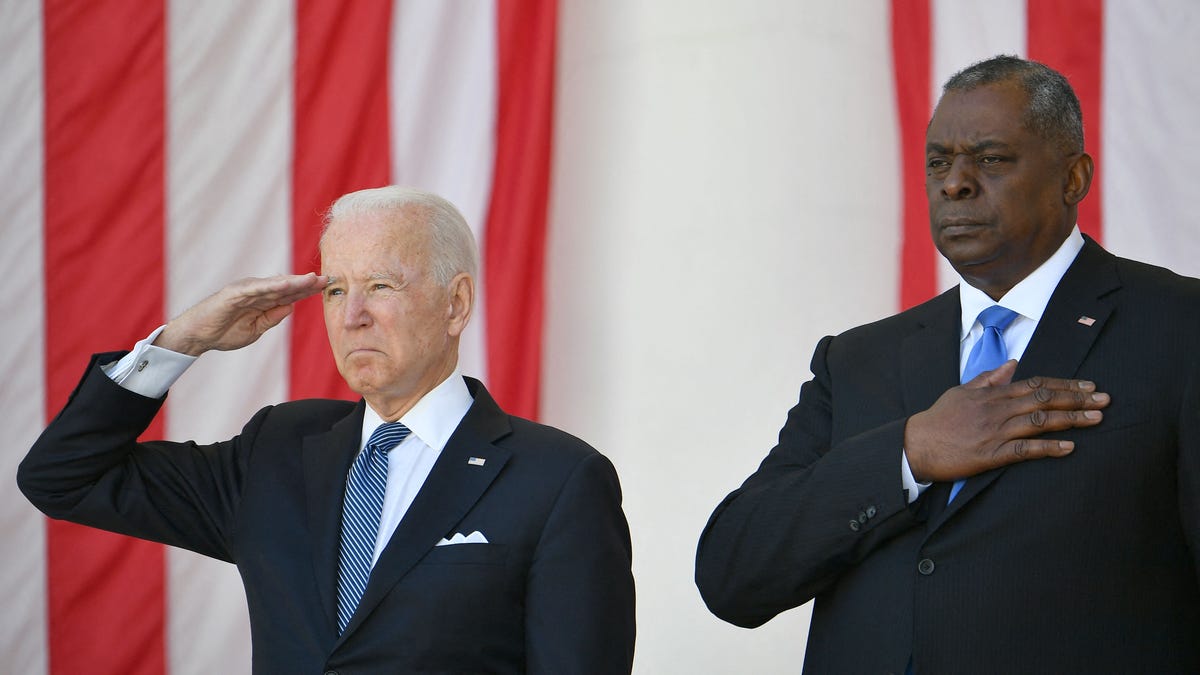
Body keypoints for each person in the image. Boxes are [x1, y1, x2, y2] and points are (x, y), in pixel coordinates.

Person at [695, 55, 1200, 673]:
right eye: (940, 162)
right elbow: (732, 574)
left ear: (1074, 178)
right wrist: (908, 454)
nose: (954, 184)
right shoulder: (856, 359)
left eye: (990, 160)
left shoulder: (1180, 328)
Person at [19, 186, 636, 674]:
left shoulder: (558, 479)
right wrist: (184, 340)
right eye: (335, 288)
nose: (352, 316)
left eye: (380, 286)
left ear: (456, 304)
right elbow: (62, 477)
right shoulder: (278, 450)